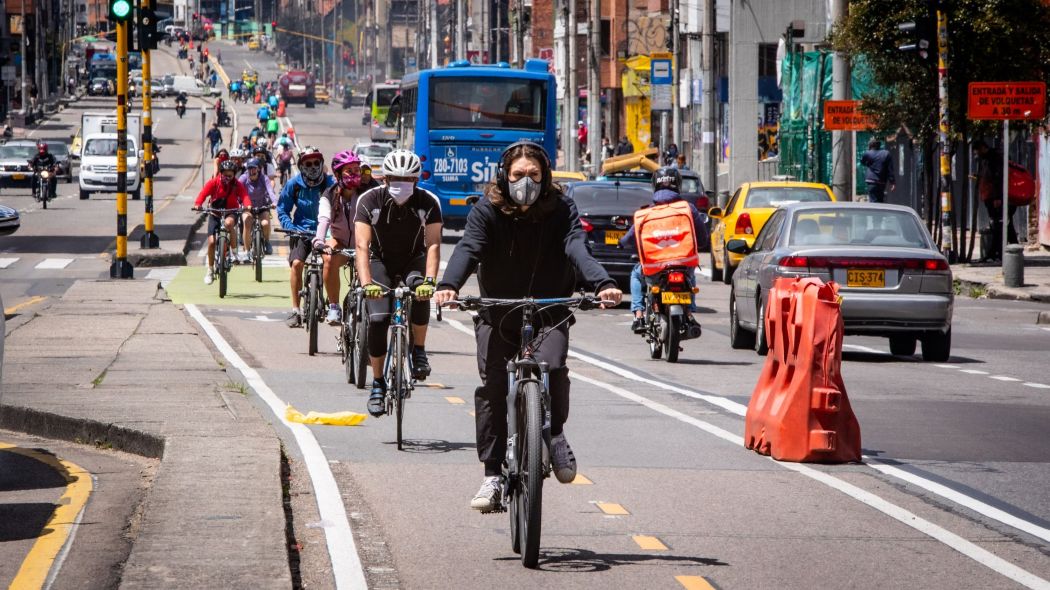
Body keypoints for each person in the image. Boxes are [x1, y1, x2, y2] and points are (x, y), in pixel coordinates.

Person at [433, 142, 623, 512]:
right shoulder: (486, 209)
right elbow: (469, 248)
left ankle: (554, 435)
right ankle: (491, 474)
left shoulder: (562, 208)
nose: (526, 182)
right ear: (505, 175)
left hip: (550, 311)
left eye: (534, 175)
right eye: (518, 175)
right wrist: (448, 286)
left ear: (545, 175)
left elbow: (576, 247)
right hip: (497, 312)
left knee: (552, 367)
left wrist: (602, 283)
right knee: (491, 387)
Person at [354, 149, 442, 417]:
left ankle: (419, 350)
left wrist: (430, 280)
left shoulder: (429, 202)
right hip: (380, 260)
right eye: (395, 179)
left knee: (420, 292)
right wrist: (367, 282)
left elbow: (434, 243)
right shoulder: (368, 200)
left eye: (408, 179)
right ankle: (378, 383)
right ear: (385, 178)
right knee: (379, 319)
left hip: (413, 260)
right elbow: (361, 245)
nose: (401, 184)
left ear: (416, 181)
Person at [619, 166, 709, 334]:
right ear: (678, 185)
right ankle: (689, 313)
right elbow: (703, 238)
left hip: (654, 267)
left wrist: (621, 243)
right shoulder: (688, 209)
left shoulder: (645, 212)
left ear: (655, 186)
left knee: (636, 275)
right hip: (683, 264)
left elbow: (630, 236)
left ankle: (638, 315)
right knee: (690, 277)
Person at [277, 146, 336, 327]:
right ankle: (295, 310)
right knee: (296, 264)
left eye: (316, 163)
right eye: (308, 163)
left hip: (325, 233)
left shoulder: (331, 183)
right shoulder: (293, 185)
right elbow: (282, 209)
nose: (312, 167)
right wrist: (290, 227)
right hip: (301, 231)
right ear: (301, 166)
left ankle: (334, 306)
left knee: (329, 261)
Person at [313, 150, 365, 324]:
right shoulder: (329, 195)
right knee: (328, 258)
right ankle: (334, 307)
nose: (354, 174)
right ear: (337, 174)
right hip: (340, 242)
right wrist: (319, 240)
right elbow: (323, 220)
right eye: (349, 171)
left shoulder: (368, 193)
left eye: (357, 170)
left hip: (363, 244)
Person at [193, 160, 251, 285]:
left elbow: (244, 195)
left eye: (230, 175)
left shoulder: (237, 184)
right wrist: (198, 204)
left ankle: (234, 253)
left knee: (229, 224)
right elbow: (203, 193)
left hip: (231, 211)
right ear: (221, 173)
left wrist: (248, 205)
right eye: (225, 175)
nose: (228, 178)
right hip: (215, 212)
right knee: (212, 242)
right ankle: (210, 269)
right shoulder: (214, 182)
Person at [975, 139, 1017, 261]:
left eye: (978, 151)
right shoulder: (986, 159)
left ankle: (995, 252)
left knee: (1000, 224)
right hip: (991, 197)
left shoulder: (994, 158)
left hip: (996, 198)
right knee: (1004, 225)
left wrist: (998, 197)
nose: (977, 154)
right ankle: (1002, 251)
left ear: (983, 147)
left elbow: (999, 178)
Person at [239, 158, 277, 261]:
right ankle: (247, 251)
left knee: (265, 223)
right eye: (249, 169)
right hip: (248, 207)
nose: (252, 171)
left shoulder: (264, 178)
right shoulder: (243, 178)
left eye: (254, 169)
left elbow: (270, 191)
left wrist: (274, 202)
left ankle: (267, 241)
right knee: (247, 222)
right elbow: (236, 189)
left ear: (258, 169)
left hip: (262, 206)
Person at [861, 138, 895, 204]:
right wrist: (892, 182)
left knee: (873, 201)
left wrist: (869, 164)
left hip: (871, 181)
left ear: (870, 145)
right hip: (882, 182)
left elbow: (863, 162)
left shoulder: (868, 153)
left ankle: (874, 213)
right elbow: (890, 169)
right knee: (880, 201)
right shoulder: (886, 154)